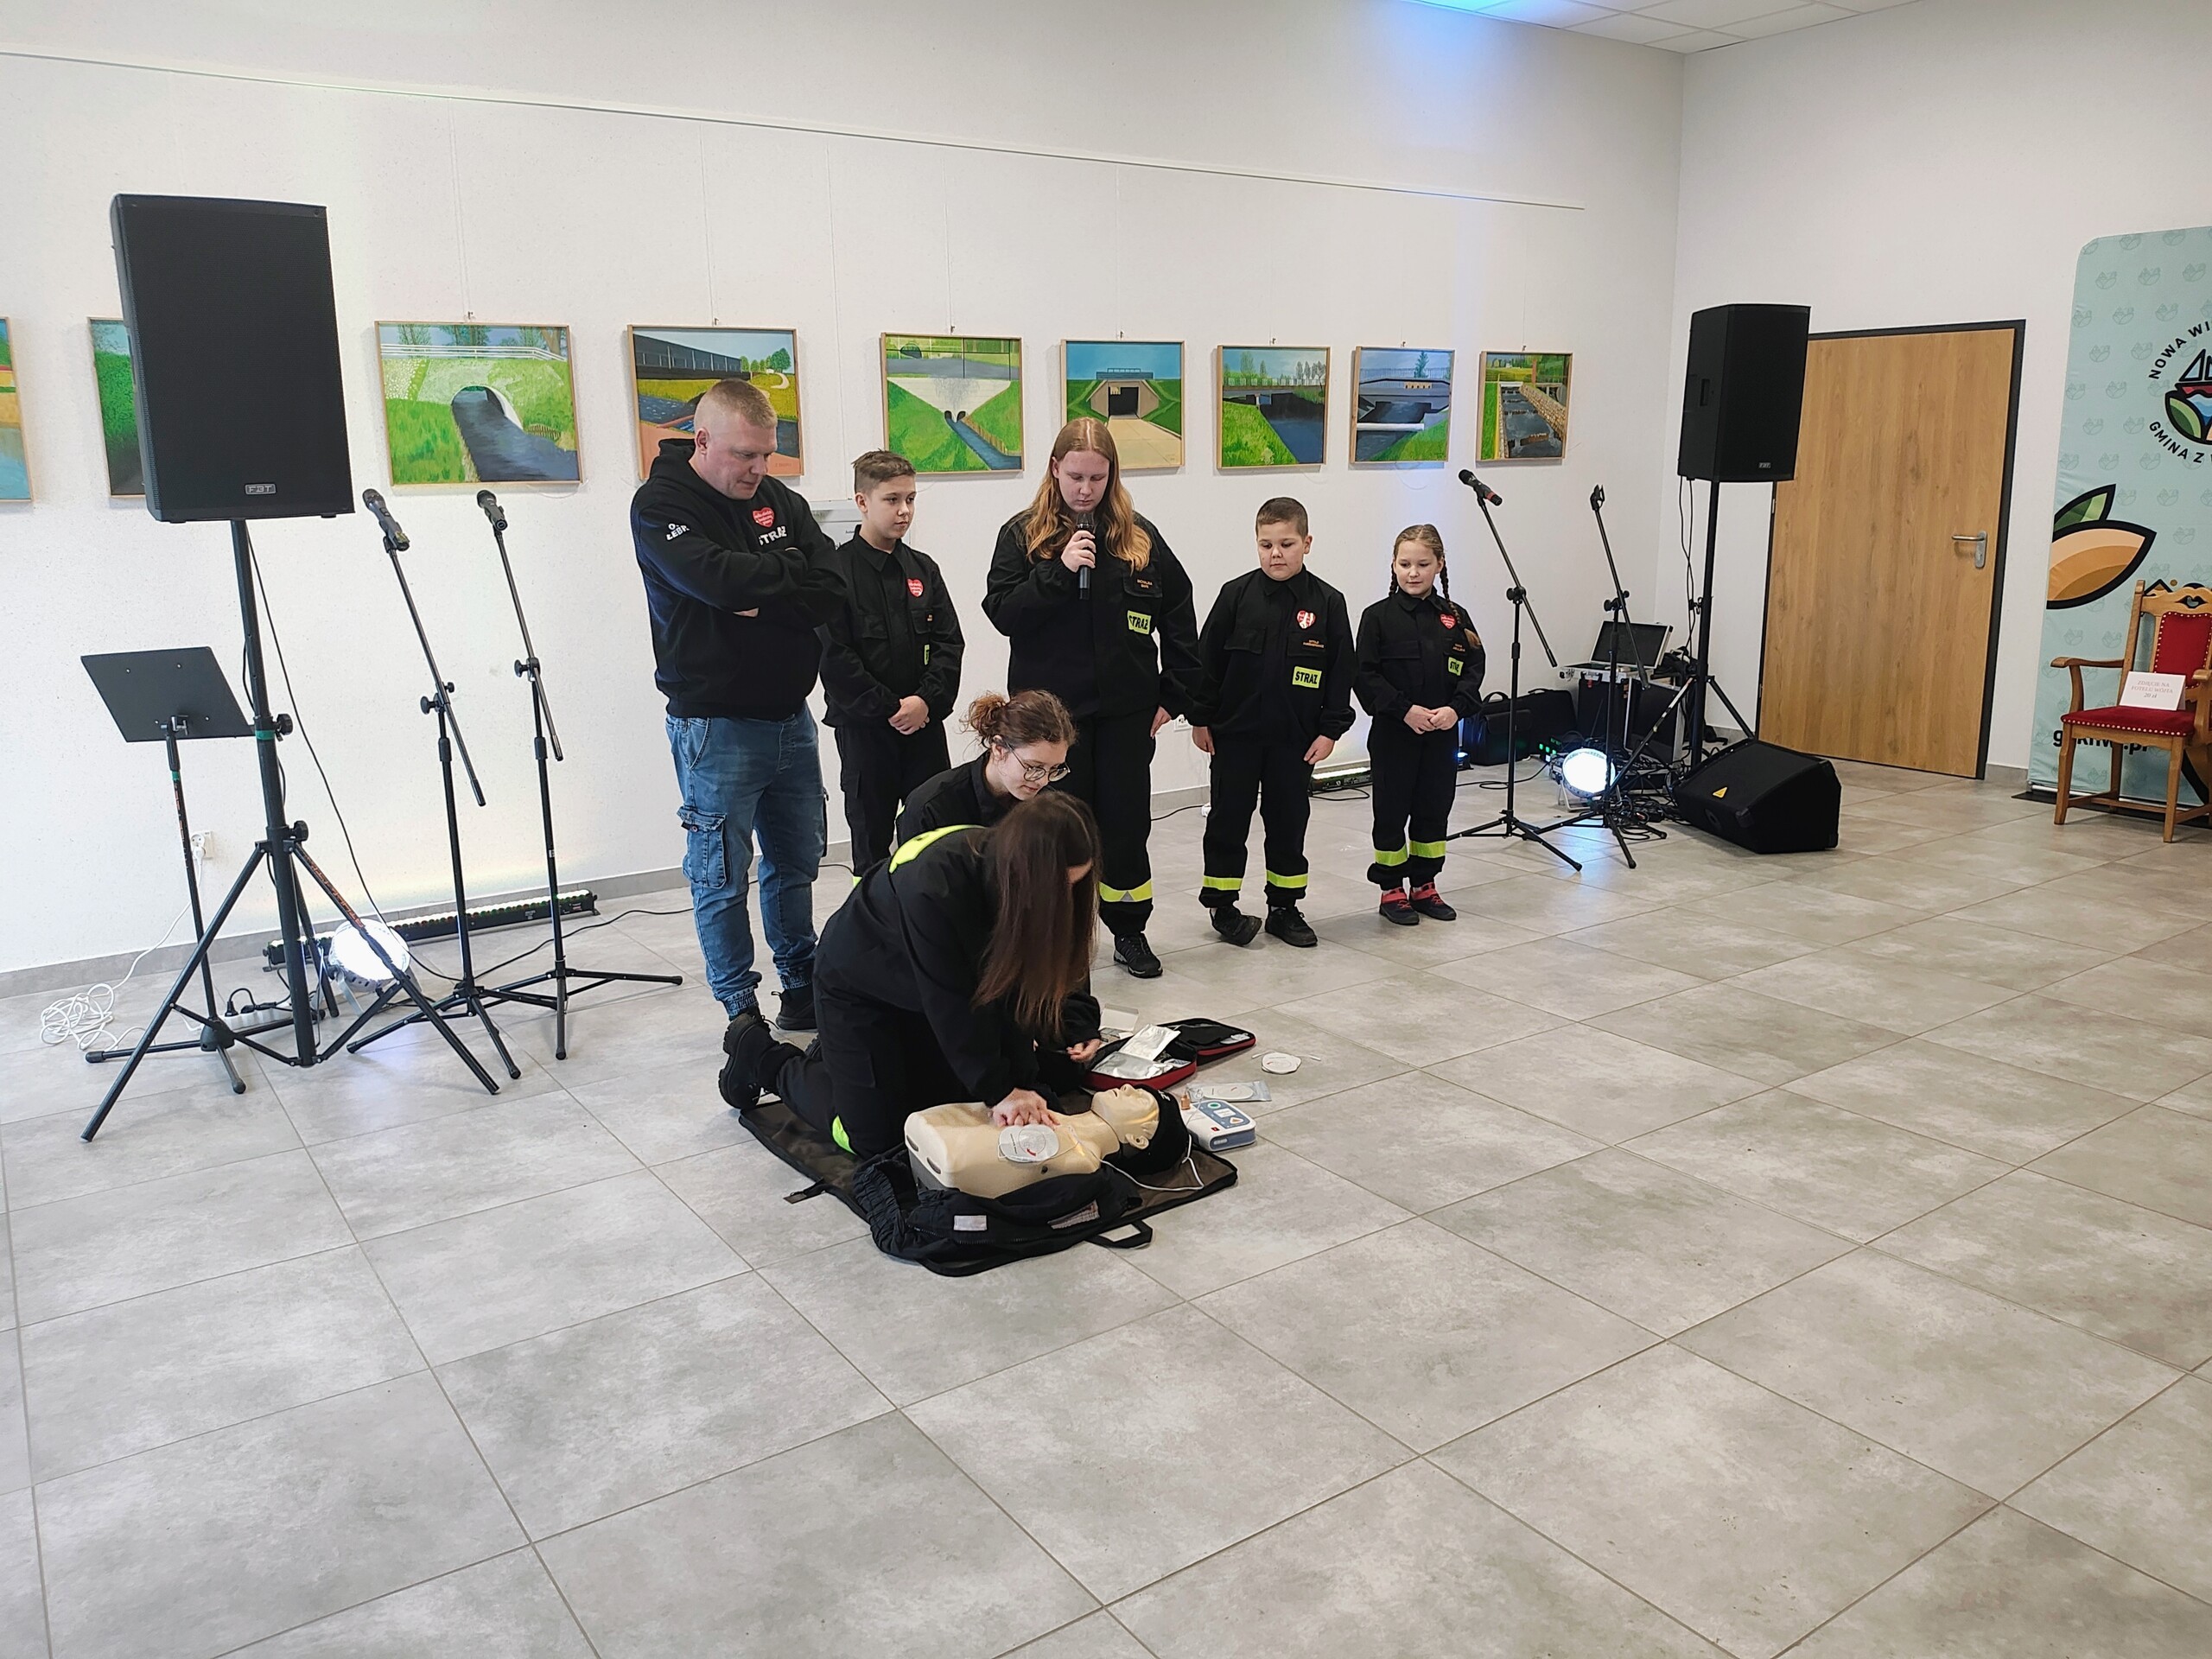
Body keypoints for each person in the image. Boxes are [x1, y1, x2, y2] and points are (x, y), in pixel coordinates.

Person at [720, 792, 1109, 1160]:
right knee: (877, 1138)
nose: (1066, 899)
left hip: (927, 991)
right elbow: (952, 1002)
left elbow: (1021, 978)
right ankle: (764, 1057)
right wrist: (1003, 1090)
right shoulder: (937, 887)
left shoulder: (1022, 872)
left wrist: (1042, 1061)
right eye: (1062, 887)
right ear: (1027, 871)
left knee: (954, 1103)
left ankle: (846, 1060)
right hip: (859, 989)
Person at [631, 377, 844, 1039]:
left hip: (791, 718)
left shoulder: (779, 499)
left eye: (767, 454)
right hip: (715, 726)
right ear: (702, 441)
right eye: (745, 455)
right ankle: (740, 1012)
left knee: (797, 863)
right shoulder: (661, 505)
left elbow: (832, 583)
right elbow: (717, 581)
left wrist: (760, 598)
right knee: (721, 878)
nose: (758, 469)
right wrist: (783, 582)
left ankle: (801, 986)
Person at [983, 418, 1201, 979]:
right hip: (1052, 724)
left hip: (1126, 715)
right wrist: (1058, 571)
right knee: (1056, 831)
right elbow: (1003, 613)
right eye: (1076, 477)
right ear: (1055, 469)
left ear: (1112, 476)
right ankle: (1057, 938)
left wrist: (1174, 693)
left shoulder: (1139, 537)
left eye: (1097, 479)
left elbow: (1179, 613)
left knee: (1126, 827)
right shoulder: (1022, 535)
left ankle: (1129, 929)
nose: (1085, 490)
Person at [1186, 498, 1354, 948]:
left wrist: (1331, 730)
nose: (1276, 553)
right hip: (1234, 737)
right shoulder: (1235, 595)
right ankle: (1223, 906)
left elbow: (1341, 673)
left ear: (1307, 543)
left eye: (1286, 544)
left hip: (1295, 741)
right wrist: (1200, 718)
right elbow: (1207, 663)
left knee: (1288, 823)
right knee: (1228, 820)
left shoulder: (1328, 603)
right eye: (1266, 545)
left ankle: (1285, 907)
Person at [819, 450, 964, 870]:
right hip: (866, 733)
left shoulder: (924, 569)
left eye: (911, 499)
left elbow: (949, 644)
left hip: (923, 729)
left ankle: (928, 911)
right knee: (871, 844)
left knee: (934, 836)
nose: (904, 511)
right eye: (892, 500)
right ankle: (871, 913)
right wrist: (890, 708)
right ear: (862, 502)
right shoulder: (835, 573)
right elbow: (835, 658)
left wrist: (924, 702)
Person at [1354, 523, 1488, 925]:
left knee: (1434, 808)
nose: (1413, 573)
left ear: (1440, 565)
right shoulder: (1377, 617)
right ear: (1393, 565)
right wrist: (1404, 710)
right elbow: (1365, 675)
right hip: (1395, 734)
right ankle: (1391, 889)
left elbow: (1473, 670)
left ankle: (1425, 885)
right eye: (1405, 564)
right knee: (1391, 811)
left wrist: (1455, 710)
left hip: (1442, 734)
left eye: (1423, 565)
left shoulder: (1455, 617)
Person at [893, 689, 1078, 845]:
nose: (1043, 780)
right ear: (999, 749)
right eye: (1033, 767)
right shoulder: (930, 808)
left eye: (1054, 769)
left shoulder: (1050, 810)